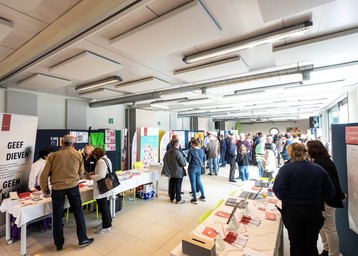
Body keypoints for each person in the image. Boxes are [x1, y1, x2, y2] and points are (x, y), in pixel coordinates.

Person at [273, 142, 335, 256]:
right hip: (313, 210)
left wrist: (288, 199)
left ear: (290, 153)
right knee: (311, 244)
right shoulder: (318, 169)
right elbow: (330, 191)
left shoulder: (286, 169)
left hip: (292, 211)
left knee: (296, 244)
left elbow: (278, 190)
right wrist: (318, 199)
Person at [40, 134, 94, 251]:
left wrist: (45, 190)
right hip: (73, 187)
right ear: (73, 143)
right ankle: (82, 238)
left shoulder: (53, 156)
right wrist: (75, 178)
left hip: (57, 189)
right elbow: (81, 172)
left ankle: (58, 244)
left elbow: (43, 176)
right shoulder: (78, 155)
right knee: (78, 212)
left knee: (57, 216)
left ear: (62, 143)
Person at [306, 140, 346, 256]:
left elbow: (331, 183)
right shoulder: (324, 161)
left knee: (329, 228)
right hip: (325, 199)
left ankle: (333, 253)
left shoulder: (321, 163)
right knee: (324, 227)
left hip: (327, 200)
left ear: (312, 150)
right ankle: (326, 249)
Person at [88, 147, 113, 234]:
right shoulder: (106, 159)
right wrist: (94, 173)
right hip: (106, 186)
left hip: (102, 187)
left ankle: (106, 226)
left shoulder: (101, 161)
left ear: (97, 154)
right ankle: (107, 222)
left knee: (103, 207)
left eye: (94, 155)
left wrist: (91, 177)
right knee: (104, 206)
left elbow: (101, 175)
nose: (94, 157)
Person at [187, 138, 206, 204]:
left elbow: (188, 160)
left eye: (191, 143)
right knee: (199, 181)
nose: (190, 144)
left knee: (193, 183)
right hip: (199, 168)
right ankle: (203, 196)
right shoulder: (202, 150)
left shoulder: (191, 151)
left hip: (192, 168)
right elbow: (204, 159)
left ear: (194, 144)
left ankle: (194, 198)